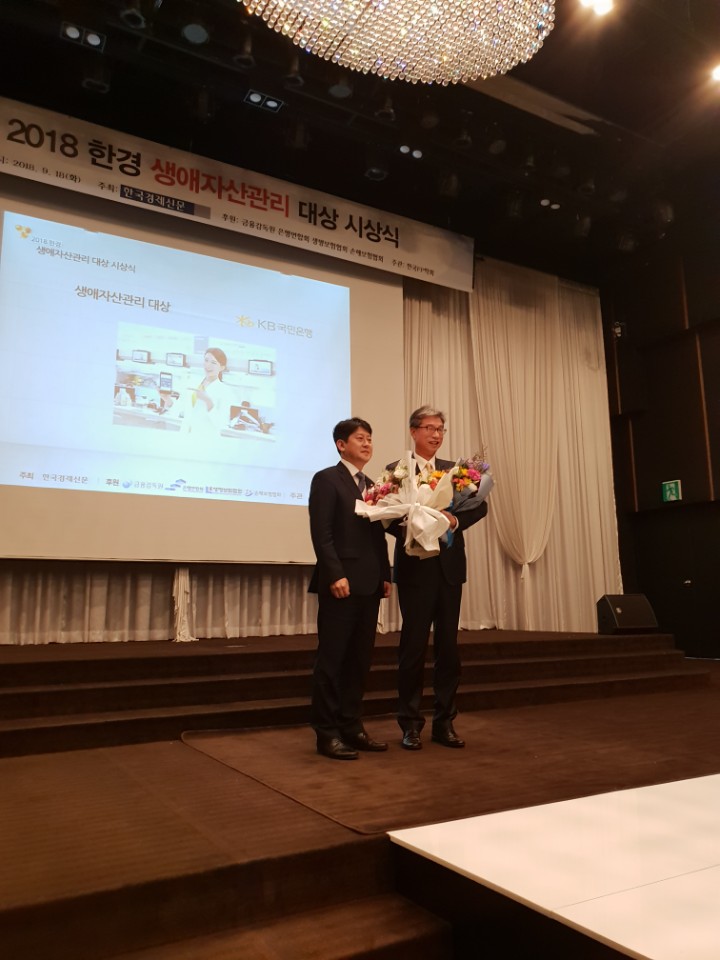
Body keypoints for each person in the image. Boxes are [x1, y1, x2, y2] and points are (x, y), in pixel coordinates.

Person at [387, 404, 488, 751]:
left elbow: (479, 505)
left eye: (440, 429)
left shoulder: (456, 471)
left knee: (448, 650)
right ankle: (410, 724)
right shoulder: (397, 471)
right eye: (429, 428)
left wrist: (455, 520)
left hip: (448, 569)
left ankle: (445, 723)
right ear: (413, 431)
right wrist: (410, 525)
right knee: (412, 649)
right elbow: (385, 515)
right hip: (415, 568)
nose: (435, 435)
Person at [308, 417, 392, 760]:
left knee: (359, 661)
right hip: (340, 584)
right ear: (341, 445)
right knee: (332, 660)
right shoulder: (327, 479)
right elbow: (322, 532)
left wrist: (385, 573)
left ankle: (352, 726)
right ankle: (326, 733)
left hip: (369, 584)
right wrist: (335, 574)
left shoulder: (373, 486)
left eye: (370, 438)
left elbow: (377, 536)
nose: (367, 444)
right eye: (360, 438)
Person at [182, 347, 232, 436]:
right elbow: (182, 409)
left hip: (206, 438)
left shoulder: (225, 391)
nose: (208, 365)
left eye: (213, 363)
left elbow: (221, 423)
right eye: (206, 360)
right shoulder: (194, 382)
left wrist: (208, 401)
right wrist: (167, 399)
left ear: (222, 367)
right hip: (186, 434)